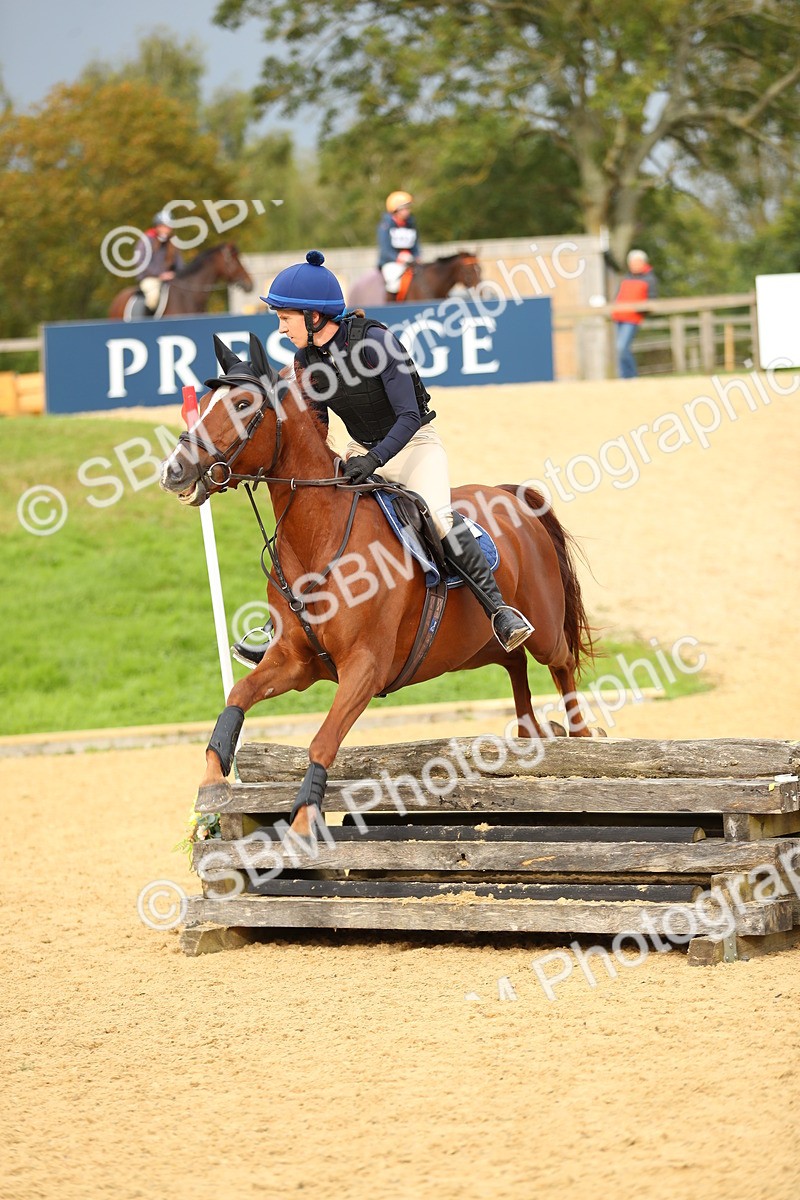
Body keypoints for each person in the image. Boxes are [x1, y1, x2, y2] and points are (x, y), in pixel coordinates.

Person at [232, 249, 533, 666]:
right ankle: (279, 625)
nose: (281, 329)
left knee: (439, 517)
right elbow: (317, 430)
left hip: (412, 445)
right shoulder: (306, 360)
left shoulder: (375, 342)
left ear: (314, 316)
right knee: (314, 520)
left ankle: (500, 611)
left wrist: (372, 461)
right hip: (360, 450)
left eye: (286, 318)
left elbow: (409, 416)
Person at [611, 249, 658, 378]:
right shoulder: (625, 278)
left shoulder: (650, 279)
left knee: (621, 347)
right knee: (620, 349)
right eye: (631, 262)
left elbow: (652, 300)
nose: (633, 265)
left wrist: (641, 310)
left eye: (636, 262)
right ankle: (625, 377)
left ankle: (630, 376)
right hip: (619, 317)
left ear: (643, 263)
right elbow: (618, 297)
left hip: (632, 319)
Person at [135, 210, 184, 314]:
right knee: (153, 298)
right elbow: (141, 263)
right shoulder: (146, 240)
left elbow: (180, 264)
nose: (166, 230)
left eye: (168, 227)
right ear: (157, 227)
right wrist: (160, 274)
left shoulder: (172, 242)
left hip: (170, 280)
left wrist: (175, 274)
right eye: (163, 226)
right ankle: (147, 324)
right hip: (150, 278)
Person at [376, 191, 421, 299]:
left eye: (408, 208)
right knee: (393, 283)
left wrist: (417, 256)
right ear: (396, 210)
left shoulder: (411, 224)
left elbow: (415, 245)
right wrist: (398, 258)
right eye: (404, 208)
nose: (407, 211)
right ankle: (392, 304)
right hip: (392, 262)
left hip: (410, 261)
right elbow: (385, 249)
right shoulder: (385, 225)